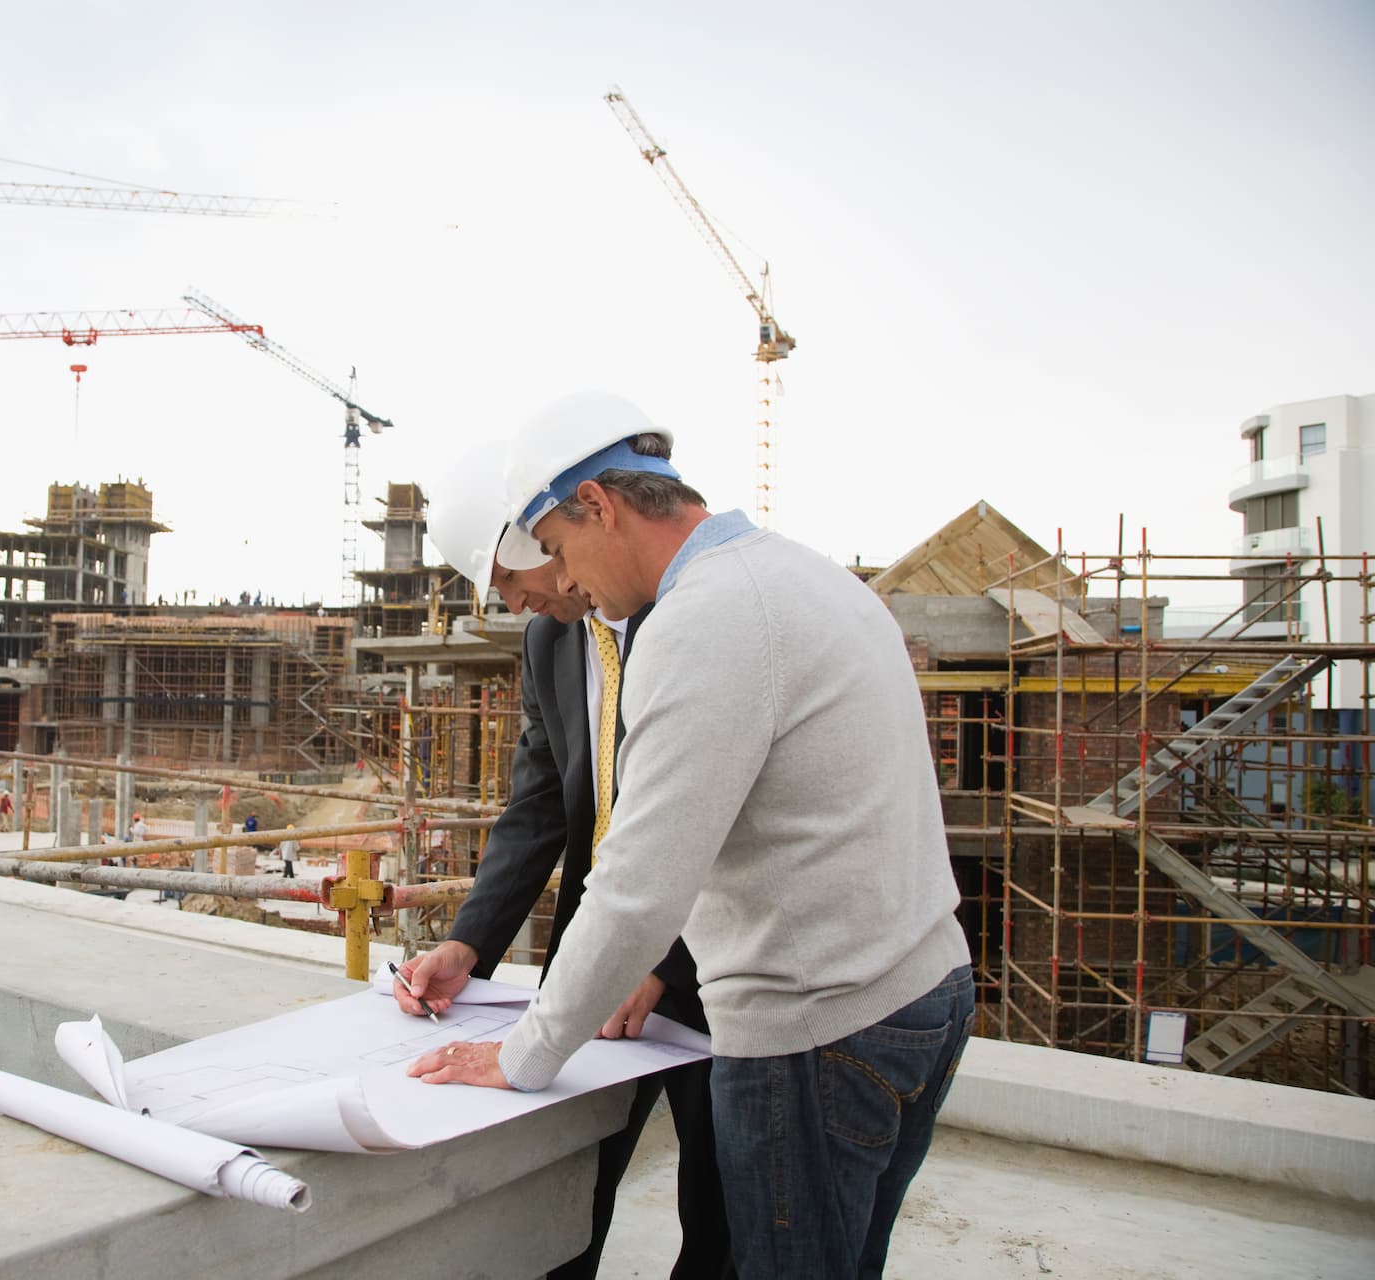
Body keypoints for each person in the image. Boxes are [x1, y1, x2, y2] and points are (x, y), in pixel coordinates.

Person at [406, 393, 973, 1280]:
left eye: (554, 551)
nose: (562, 583)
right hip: (915, 988)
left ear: (598, 504)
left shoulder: (700, 619)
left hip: (814, 1027)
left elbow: (640, 882)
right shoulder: (800, 574)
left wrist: (523, 1057)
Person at [394, 427, 730, 1280]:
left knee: (722, 1212)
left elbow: (723, 816)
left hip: (710, 967)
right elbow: (539, 804)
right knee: (567, 1192)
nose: (512, 604)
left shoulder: (693, 615)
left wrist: (667, 960)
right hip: (594, 956)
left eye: (517, 576)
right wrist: (472, 943)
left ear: (564, 530)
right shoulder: (552, 640)